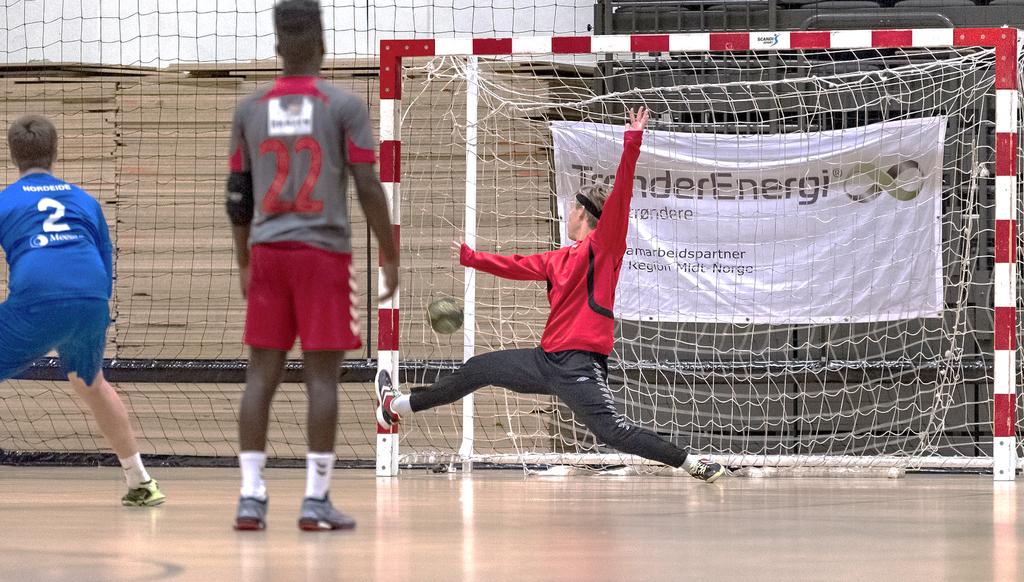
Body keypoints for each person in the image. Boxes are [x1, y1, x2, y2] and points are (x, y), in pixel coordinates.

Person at [376, 106, 725, 483]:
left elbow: (621, 196)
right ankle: (396, 405)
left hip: (578, 366)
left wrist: (633, 140)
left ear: (584, 213)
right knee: (478, 369)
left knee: (612, 432)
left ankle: (693, 464)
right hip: (545, 361)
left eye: (574, 205)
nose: (569, 209)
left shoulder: (604, 247)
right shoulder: (558, 259)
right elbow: (515, 264)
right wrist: (471, 258)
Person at [226, 0, 399, 531]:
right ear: (322, 44)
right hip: (324, 256)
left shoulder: (249, 110)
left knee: (261, 376)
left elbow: (238, 196)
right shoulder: (344, 105)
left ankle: (251, 498)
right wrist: (390, 254)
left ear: (277, 46)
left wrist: (244, 262)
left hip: (269, 254)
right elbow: (369, 184)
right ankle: (315, 500)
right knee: (322, 380)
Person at [0, 115, 166, 506]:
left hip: (39, 299)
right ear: (55, 152)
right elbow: (104, 265)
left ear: (12, 155)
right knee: (90, 382)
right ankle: (139, 481)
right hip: (92, 301)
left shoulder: (6, 200)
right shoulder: (85, 201)